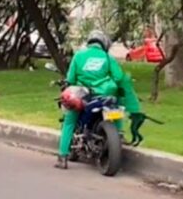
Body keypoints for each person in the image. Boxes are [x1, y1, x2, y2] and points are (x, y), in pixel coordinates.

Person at [54, 30, 143, 169]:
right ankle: (119, 135)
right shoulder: (107, 58)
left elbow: (71, 79)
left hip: (84, 96)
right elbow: (119, 77)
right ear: (104, 44)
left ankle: (62, 157)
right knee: (117, 108)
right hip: (105, 96)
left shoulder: (79, 56)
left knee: (69, 121)